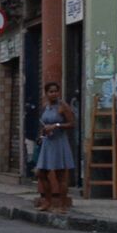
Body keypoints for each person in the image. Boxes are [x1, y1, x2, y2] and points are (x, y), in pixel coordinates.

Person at [34, 82, 77, 213]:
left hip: (59, 142)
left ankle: (62, 205)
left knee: (60, 175)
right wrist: (42, 133)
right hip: (47, 142)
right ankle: (48, 201)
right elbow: (43, 122)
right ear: (46, 93)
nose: (53, 94)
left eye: (56, 91)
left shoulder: (63, 106)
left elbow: (72, 123)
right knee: (41, 172)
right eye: (51, 91)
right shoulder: (46, 106)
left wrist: (57, 125)